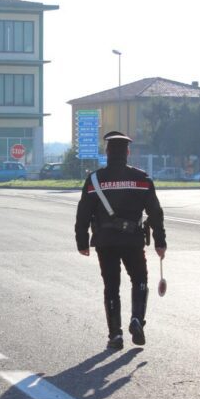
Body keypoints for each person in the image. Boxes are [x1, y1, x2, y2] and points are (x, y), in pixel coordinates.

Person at [74, 131, 167, 350]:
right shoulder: (142, 179)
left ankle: (115, 335)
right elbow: (155, 213)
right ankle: (137, 319)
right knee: (140, 279)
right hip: (133, 240)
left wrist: (82, 241)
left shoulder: (94, 180)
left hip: (105, 242)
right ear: (127, 152)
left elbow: (83, 214)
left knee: (111, 286)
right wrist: (160, 242)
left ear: (107, 152)